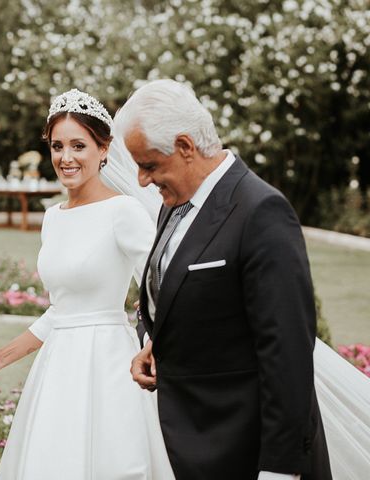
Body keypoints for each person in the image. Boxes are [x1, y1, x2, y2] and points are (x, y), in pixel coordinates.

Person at [113, 79, 332, 480]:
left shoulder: (262, 212)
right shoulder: (173, 204)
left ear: (185, 146)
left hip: (249, 455)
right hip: (193, 447)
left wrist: (280, 470)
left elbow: (287, 354)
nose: (142, 180)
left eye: (149, 165)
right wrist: (153, 341)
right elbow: (172, 293)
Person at [0, 89, 175, 479]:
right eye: (57, 146)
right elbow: (61, 310)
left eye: (79, 145)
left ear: (104, 149)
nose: (66, 157)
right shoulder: (53, 217)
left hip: (109, 364)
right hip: (58, 366)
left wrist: (154, 344)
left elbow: (166, 287)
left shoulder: (122, 212)